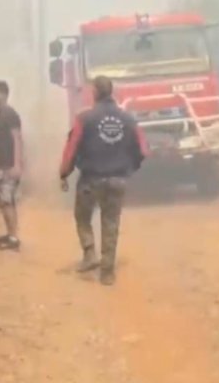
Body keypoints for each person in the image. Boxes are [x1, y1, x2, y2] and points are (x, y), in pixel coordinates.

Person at [59, 76, 146, 286]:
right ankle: (107, 272)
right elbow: (142, 149)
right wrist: (129, 168)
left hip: (90, 180)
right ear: (112, 92)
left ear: (95, 92)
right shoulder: (128, 119)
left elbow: (71, 150)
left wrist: (64, 173)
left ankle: (89, 254)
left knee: (82, 217)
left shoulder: (84, 119)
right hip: (117, 179)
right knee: (111, 223)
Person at [0, 80, 24, 251]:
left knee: (7, 201)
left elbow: (17, 139)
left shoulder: (9, 114)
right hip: (4, 165)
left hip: (9, 166)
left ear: (2, 94)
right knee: (4, 201)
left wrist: (17, 164)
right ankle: (10, 234)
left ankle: (14, 237)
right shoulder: (2, 114)